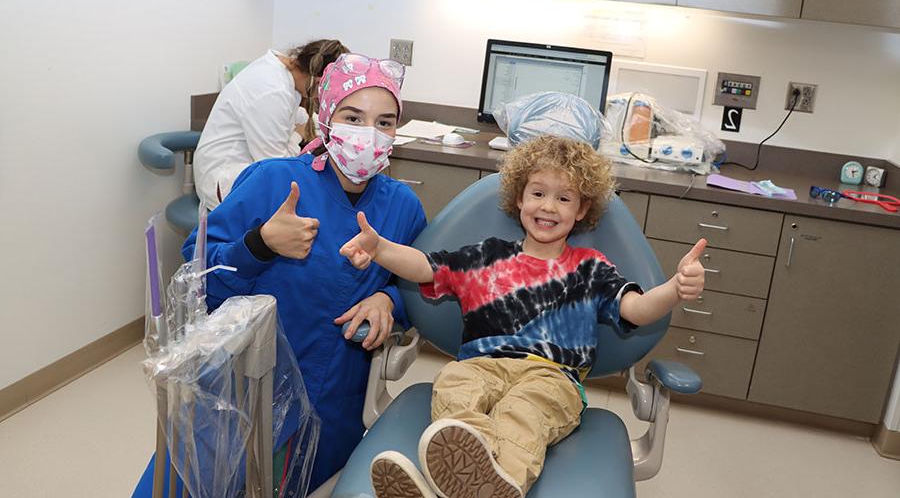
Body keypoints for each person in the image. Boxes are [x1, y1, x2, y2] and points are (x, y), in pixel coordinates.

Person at [340, 135, 707, 498]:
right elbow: (425, 266)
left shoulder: (590, 269)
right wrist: (381, 248)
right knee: (455, 385)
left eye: (564, 198)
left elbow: (636, 309)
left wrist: (675, 288)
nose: (548, 206)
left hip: (552, 375)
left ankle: (501, 484)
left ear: (581, 210)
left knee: (524, 412)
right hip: (481, 363)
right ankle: (463, 478)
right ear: (519, 198)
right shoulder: (487, 256)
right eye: (538, 193)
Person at [131, 53, 426, 496]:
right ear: (325, 119)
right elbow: (199, 277)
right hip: (237, 392)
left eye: (384, 122)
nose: (369, 134)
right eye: (353, 116)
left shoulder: (403, 208)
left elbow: (421, 284)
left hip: (330, 401)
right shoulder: (273, 180)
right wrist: (260, 245)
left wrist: (390, 302)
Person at [194, 39, 349, 208]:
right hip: (223, 182)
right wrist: (298, 135)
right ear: (320, 82)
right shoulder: (272, 91)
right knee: (313, 202)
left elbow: (295, 115)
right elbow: (277, 168)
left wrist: (311, 125)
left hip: (232, 167)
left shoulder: (281, 68)